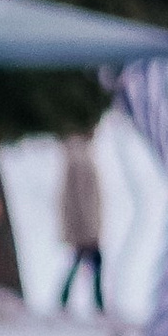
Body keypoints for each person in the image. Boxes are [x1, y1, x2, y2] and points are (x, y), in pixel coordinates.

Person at [58, 130, 105, 313]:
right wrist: (89, 229)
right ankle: (97, 303)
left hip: (82, 225)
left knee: (85, 262)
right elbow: (82, 200)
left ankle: (67, 300)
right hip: (85, 226)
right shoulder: (80, 157)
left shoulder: (76, 155)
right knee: (93, 262)